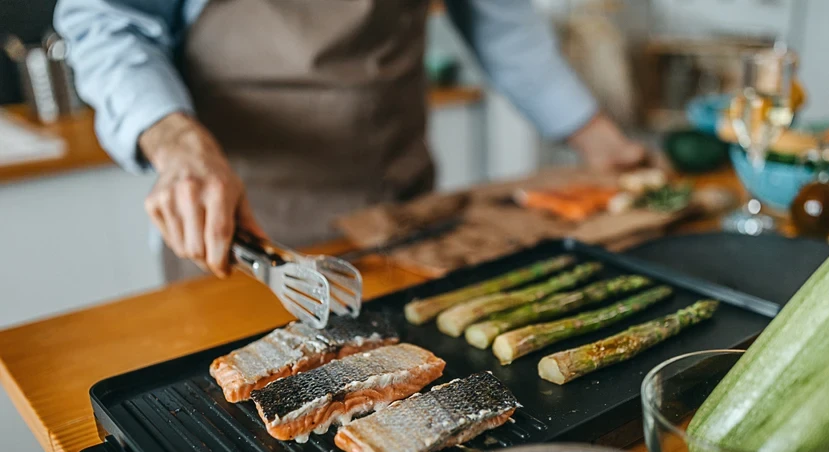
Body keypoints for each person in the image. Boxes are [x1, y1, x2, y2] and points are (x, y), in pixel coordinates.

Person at [55, 0, 646, 281]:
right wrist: (176, 143)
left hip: (401, 219)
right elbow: (104, 20)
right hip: (237, 227)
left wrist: (596, 138)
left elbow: (500, 23)